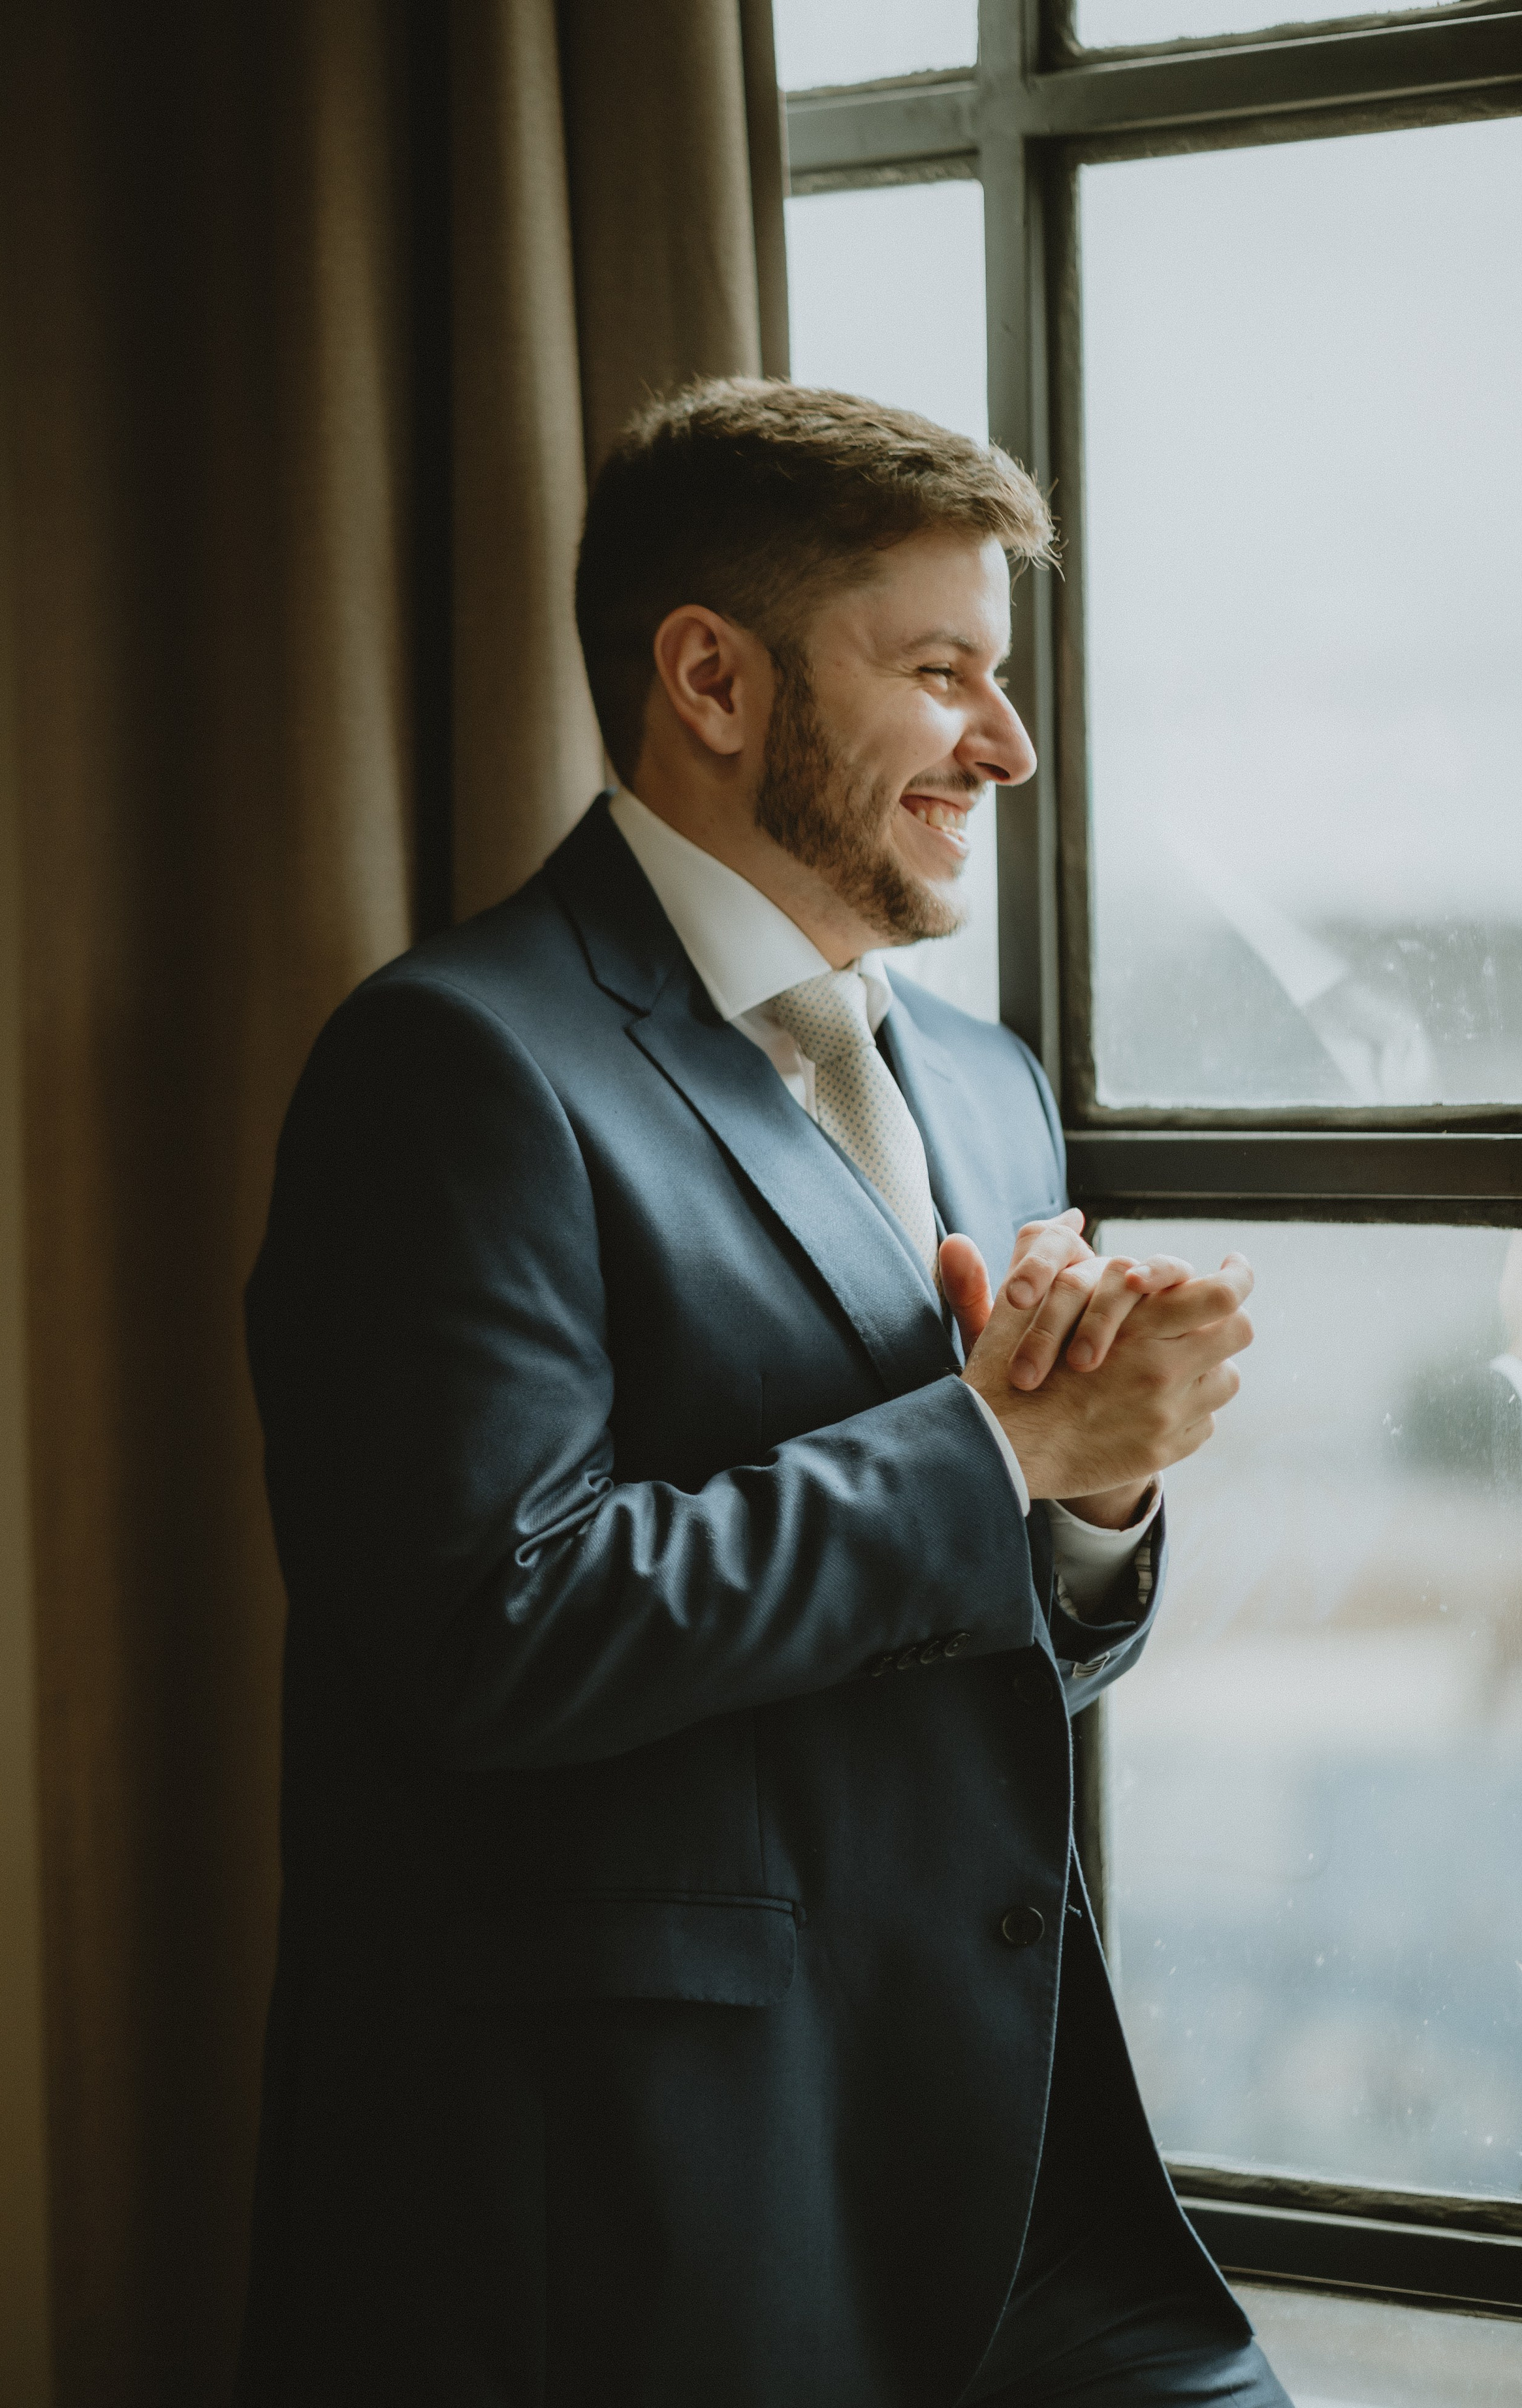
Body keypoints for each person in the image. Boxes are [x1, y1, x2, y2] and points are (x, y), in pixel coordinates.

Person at [232, 380, 1280, 2405]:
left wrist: (1097, 1500)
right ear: (710, 678)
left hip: (1025, 2168)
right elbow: (487, 1633)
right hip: (652, 2202)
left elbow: (990, 1630)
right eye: (943, 673)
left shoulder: (986, 1084)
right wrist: (997, 1451)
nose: (1011, 742)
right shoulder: (455, 1066)